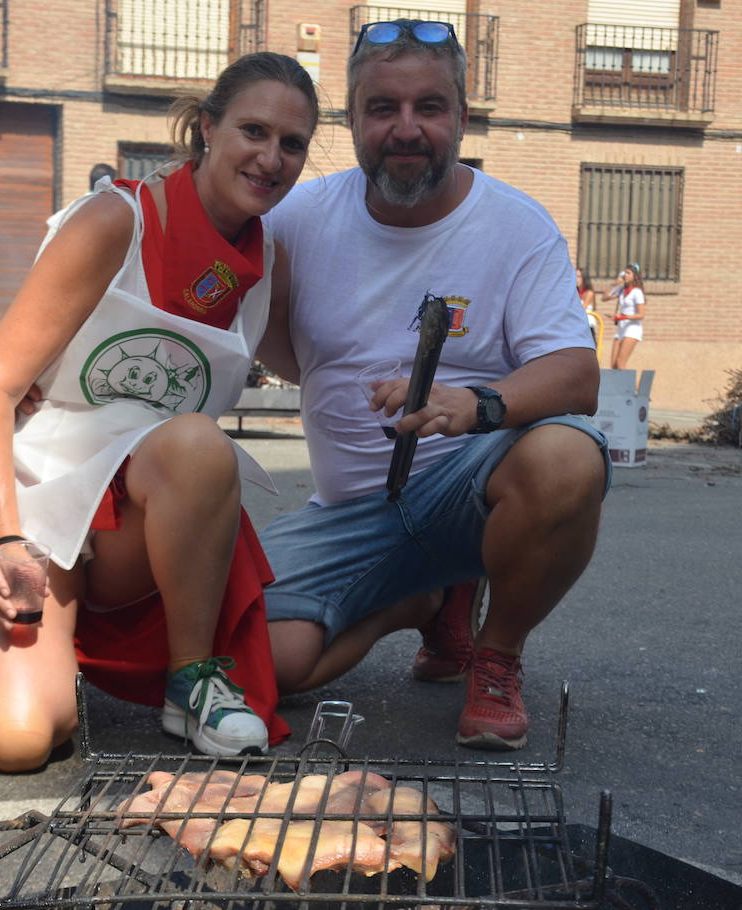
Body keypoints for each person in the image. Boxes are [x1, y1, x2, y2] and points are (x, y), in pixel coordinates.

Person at [0, 52, 319, 771]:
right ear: (206, 128)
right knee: (21, 741)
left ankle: (191, 682)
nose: (272, 158)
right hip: (32, 499)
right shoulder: (116, 219)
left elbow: (319, 368)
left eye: (292, 144)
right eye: (253, 130)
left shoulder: (267, 255)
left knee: (198, 444)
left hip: (136, 520)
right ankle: (19, 643)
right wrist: (3, 543)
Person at [254, 20, 610, 751]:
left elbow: (577, 373)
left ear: (462, 118)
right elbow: (281, 351)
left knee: (569, 456)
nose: (406, 129)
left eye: (429, 107)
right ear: (350, 120)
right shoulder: (296, 221)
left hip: (466, 493)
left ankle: (496, 655)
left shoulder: (515, 225)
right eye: (382, 108)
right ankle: (421, 601)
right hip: (350, 513)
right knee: (259, 667)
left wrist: (474, 405)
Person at [606, 263, 645, 369]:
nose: (625, 275)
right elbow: (604, 298)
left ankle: (633, 386)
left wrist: (622, 317)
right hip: (621, 329)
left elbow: (641, 314)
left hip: (632, 329)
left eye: (628, 273)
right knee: (613, 366)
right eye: (625, 273)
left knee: (620, 363)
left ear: (634, 276)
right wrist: (614, 284)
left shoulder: (637, 292)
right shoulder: (622, 290)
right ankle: (621, 385)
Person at [575, 266, 601, 350]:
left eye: (578, 276)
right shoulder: (575, 291)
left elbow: (581, 308)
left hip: (587, 326)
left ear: (584, 278)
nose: (576, 278)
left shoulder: (589, 292)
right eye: (575, 276)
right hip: (576, 325)